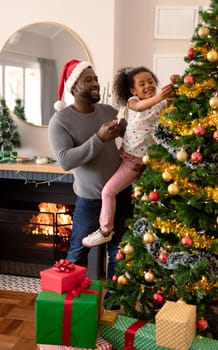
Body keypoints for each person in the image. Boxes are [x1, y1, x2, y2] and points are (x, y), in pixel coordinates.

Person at [48, 59, 132, 284]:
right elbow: (65, 160)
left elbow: (133, 134)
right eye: (88, 80)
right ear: (74, 87)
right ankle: (70, 305)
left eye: (95, 78)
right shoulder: (60, 121)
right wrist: (98, 139)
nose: (95, 83)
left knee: (119, 253)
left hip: (121, 195)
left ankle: (113, 304)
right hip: (90, 200)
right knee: (77, 254)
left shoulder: (107, 111)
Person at [82, 66, 175, 248]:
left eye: (150, 82)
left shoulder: (162, 103)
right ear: (133, 90)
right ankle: (105, 231)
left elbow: (176, 100)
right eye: (142, 84)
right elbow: (141, 107)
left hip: (151, 162)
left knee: (148, 200)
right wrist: (160, 97)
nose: (148, 86)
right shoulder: (132, 102)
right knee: (108, 191)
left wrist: (176, 84)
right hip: (129, 161)